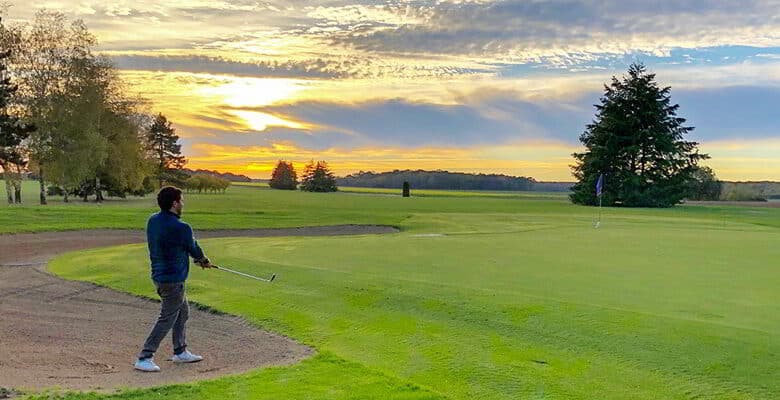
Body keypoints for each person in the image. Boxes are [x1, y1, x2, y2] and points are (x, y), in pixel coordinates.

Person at [134, 186, 214, 372]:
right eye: (181, 200)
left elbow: (178, 245)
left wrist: (196, 258)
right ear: (174, 203)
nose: (183, 204)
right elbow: (193, 247)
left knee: (182, 312)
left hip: (160, 276)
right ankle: (145, 356)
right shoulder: (182, 227)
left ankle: (180, 351)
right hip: (172, 280)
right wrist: (203, 260)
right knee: (167, 317)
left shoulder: (153, 221)